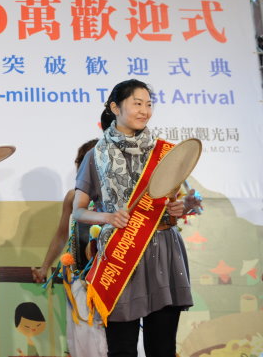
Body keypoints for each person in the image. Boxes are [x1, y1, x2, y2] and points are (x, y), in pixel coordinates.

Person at [72, 79, 200, 357]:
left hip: (163, 253)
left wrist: (180, 208)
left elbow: (180, 201)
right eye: (137, 103)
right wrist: (107, 217)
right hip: (120, 256)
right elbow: (78, 211)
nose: (145, 111)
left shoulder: (164, 152)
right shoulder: (96, 155)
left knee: (163, 349)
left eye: (149, 104)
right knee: (122, 349)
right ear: (115, 107)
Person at [31, 139, 105, 357]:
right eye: (85, 162)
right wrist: (45, 267)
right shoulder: (73, 197)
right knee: (84, 333)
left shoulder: (119, 196)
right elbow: (62, 234)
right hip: (80, 278)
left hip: (113, 277)